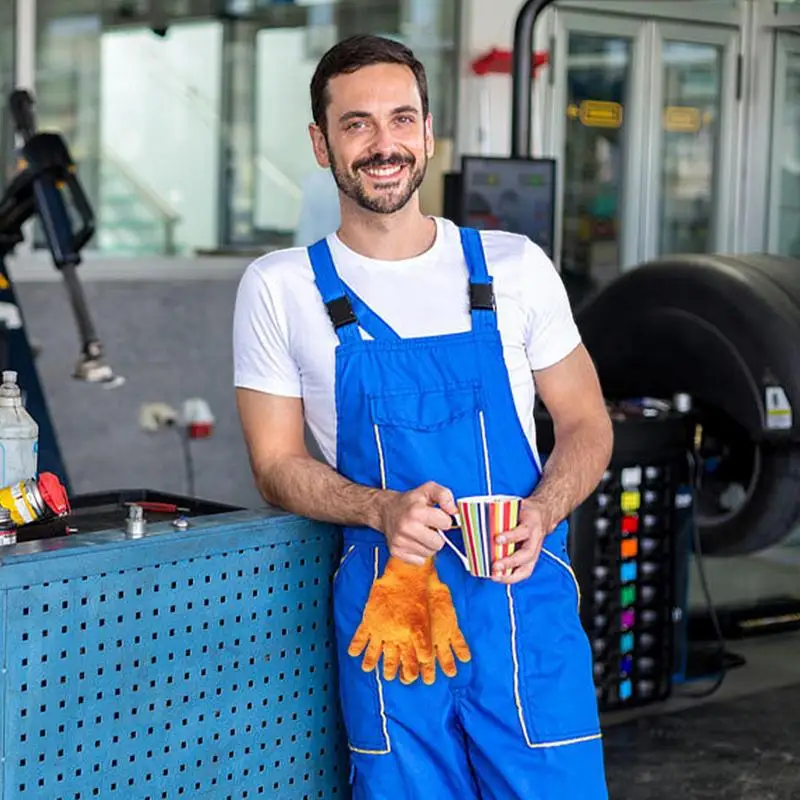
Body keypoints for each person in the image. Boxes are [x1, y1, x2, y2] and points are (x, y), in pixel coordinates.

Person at [233, 33, 613, 800]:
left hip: (522, 611)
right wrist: (380, 507)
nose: (384, 144)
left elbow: (587, 423)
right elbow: (274, 466)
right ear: (320, 142)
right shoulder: (279, 288)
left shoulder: (515, 267)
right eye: (357, 123)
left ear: (428, 134)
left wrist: (541, 510)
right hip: (391, 623)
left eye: (402, 119)